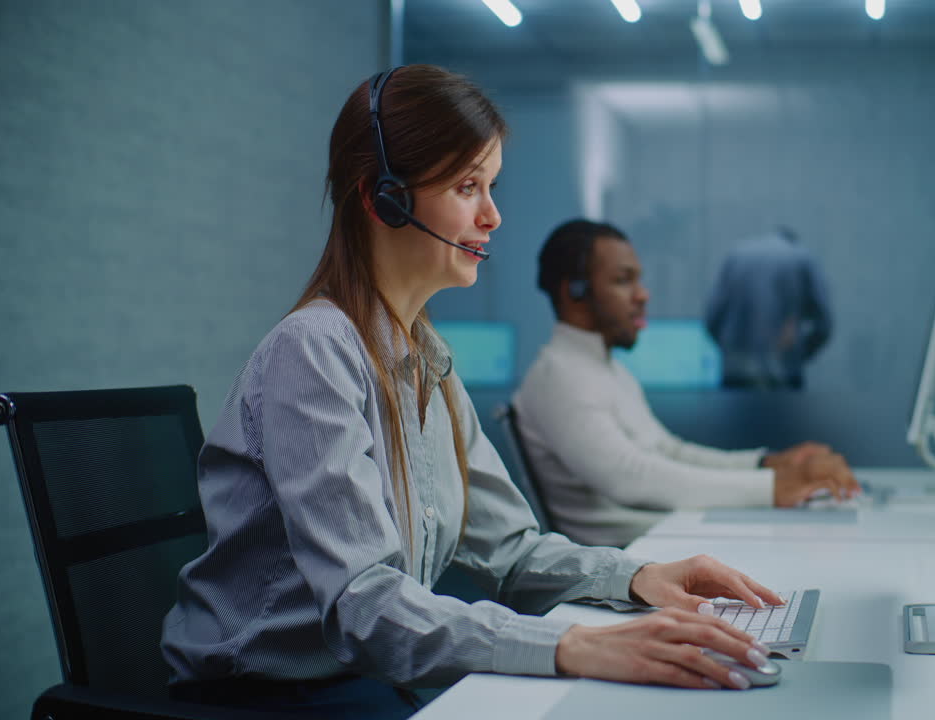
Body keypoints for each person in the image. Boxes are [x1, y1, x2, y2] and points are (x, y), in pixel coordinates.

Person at [161, 66, 784, 718]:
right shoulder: (312, 352)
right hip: (260, 700)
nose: (493, 215)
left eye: (490, 186)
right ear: (384, 199)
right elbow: (364, 606)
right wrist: (574, 645)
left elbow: (510, 553)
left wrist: (638, 578)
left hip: (357, 683)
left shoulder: (427, 361)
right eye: (467, 187)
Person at [513, 219, 860, 549]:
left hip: (663, 538)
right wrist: (773, 487)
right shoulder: (557, 376)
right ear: (574, 292)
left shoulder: (608, 371)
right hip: (632, 555)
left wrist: (766, 465)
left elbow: (669, 452)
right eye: (623, 280)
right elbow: (631, 477)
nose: (642, 295)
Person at [705, 226, 833, 389]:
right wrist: (799, 354)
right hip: (783, 370)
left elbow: (712, 319)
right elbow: (824, 324)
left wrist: (731, 352)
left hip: (736, 371)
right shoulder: (801, 257)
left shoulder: (736, 255)